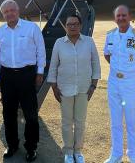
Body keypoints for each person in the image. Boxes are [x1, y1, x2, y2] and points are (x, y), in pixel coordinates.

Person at [0, 0, 46, 162]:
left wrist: (40, 72)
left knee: (30, 114)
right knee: (8, 113)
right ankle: (12, 145)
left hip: (27, 74)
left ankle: (31, 147)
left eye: (12, 10)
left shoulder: (32, 28)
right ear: (3, 14)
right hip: (7, 76)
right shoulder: (0, 31)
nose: (9, 13)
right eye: (6, 12)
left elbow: (41, 51)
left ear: (18, 10)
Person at [103, 5, 135, 163]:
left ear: (130, 16)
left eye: (123, 15)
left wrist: (132, 72)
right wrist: (118, 70)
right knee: (115, 121)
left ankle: (133, 154)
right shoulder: (110, 35)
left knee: (131, 122)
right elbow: (107, 55)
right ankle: (116, 155)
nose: (121, 18)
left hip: (131, 83)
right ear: (115, 18)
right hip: (113, 82)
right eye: (118, 16)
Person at [47, 14, 101, 163]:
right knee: (66, 122)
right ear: (65, 26)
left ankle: (78, 151)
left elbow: (95, 64)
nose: (72, 26)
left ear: (80, 25)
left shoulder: (89, 42)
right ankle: (68, 152)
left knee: (80, 122)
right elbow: (53, 66)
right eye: (69, 24)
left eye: (75, 24)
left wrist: (93, 85)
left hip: (84, 88)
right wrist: (53, 87)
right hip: (64, 88)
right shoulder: (59, 43)